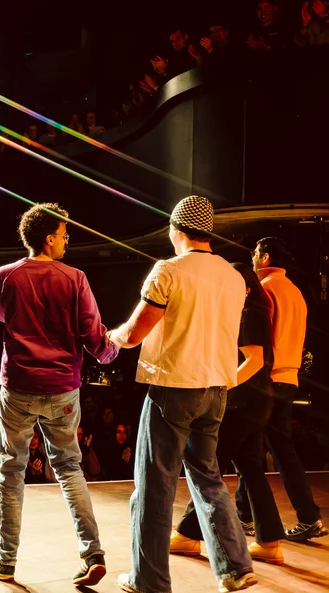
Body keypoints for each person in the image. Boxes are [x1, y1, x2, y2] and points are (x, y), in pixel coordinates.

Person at [109, 196, 255, 593]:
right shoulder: (233, 275)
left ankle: (148, 579)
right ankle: (236, 567)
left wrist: (111, 336)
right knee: (208, 476)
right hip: (216, 389)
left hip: (174, 388)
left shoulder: (168, 270)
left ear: (176, 230)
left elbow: (136, 332)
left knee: (154, 484)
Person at [0, 202, 118, 586]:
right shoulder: (75, 278)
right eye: (64, 234)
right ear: (48, 238)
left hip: (18, 387)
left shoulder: (5, 275)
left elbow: (2, 317)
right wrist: (112, 349)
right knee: (70, 468)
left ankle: (4, 559)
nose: (68, 241)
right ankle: (92, 553)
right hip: (63, 389)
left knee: (11, 471)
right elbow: (93, 338)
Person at [172, 262, 286, 565]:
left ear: (243, 285)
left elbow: (254, 360)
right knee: (250, 469)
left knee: (208, 465)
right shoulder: (253, 308)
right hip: (256, 401)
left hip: (243, 403)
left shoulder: (248, 312)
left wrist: (221, 386)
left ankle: (187, 535)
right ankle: (270, 542)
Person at [243, 237, 327, 541]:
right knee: (271, 448)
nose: (252, 258)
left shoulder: (264, 289)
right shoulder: (295, 292)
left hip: (266, 379)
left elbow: (260, 338)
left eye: (255, 253)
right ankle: (253, 515)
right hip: (289, 377)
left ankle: (304, 516)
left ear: (265, 257)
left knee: (252, 448)